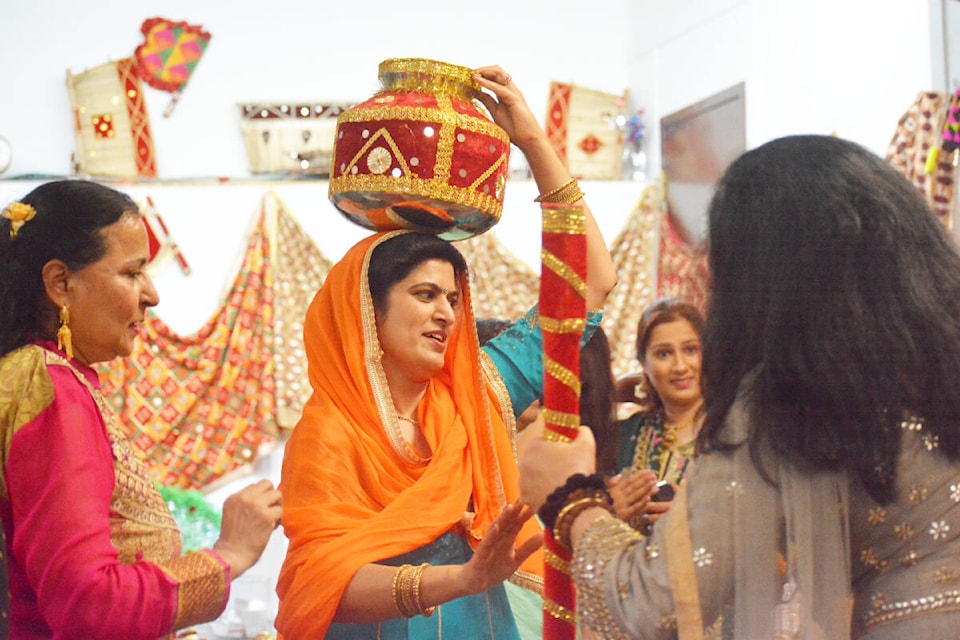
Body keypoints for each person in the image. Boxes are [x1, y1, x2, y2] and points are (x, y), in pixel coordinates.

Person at [518, 134, 960, 639]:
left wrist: (571, 500)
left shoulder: (784, 401)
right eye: (663, 353)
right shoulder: (931, 355)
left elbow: (659, 603)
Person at [275, 65, 618, 640]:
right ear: (368, 311)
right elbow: (322, 581)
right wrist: (459, 579)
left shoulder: (478, 391)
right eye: (425, 295)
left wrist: (534, 144)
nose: (448, 315)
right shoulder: (327, 433)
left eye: (454, 299)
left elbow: (589, 284)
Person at [0, 180, 283, 640]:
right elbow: (89, 605)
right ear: (61, 284)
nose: (152, 295)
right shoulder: (49, 387)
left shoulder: (37, 377)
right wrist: (228, 555)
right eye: (132, 274)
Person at [607, 298, 705, 533]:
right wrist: (608, 509)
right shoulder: (623, 436)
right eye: (663, 354)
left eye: (690, 350)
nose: (680, 366)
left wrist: (698, 522)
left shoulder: (733, 434)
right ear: (643, 363)